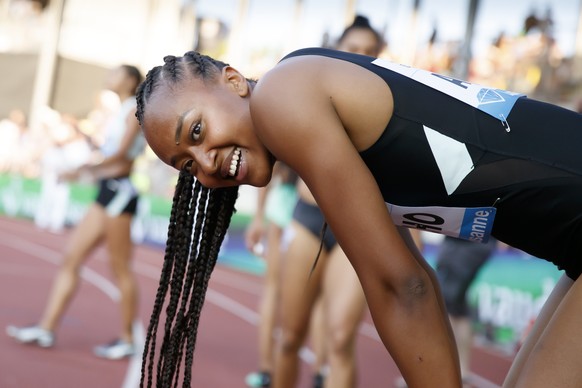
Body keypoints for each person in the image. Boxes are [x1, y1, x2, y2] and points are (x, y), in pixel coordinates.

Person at [134, 44, 582, 387]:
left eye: (196, 130)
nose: (206, 162)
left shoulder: (281, 100)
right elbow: (412, 280)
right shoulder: (301, 92)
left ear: (233, 80)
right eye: (188, 165)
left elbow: (401, 288)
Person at [272, 15, 384, 388]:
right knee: (290, 337)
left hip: (356, 229)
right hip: (308, 221)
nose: (363, 55)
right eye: (355, 48)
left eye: (371, 51)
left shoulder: (387, 99)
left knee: (339, 340)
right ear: (337, 49)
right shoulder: (307, 90)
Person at [7, 64, 146, 360]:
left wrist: (82, 170)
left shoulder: (135, 109)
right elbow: (110, 153)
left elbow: (122, 157)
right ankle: (47, 327)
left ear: (130, 80)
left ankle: (128, 339)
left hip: (120, 194)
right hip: (107, 191)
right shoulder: (119, 110)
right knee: (71, 256)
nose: (110, 75)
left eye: (117, 72)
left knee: (120, 268)